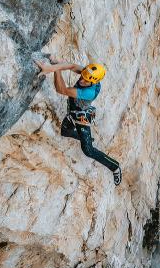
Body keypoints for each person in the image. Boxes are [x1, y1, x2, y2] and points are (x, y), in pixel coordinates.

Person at [36, 58, 122, 186]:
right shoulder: (90, 74)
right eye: (82, 76)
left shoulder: (88, 92)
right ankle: (85, 138)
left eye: (86, 81)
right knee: (65, 131)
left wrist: (55, 69)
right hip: (73, 111)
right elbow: (71, 66)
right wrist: (55, 65)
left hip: (81, 116)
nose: (81, 80)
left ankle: (115, 166)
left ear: (93, 82)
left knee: (88, 150)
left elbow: (62, 90)